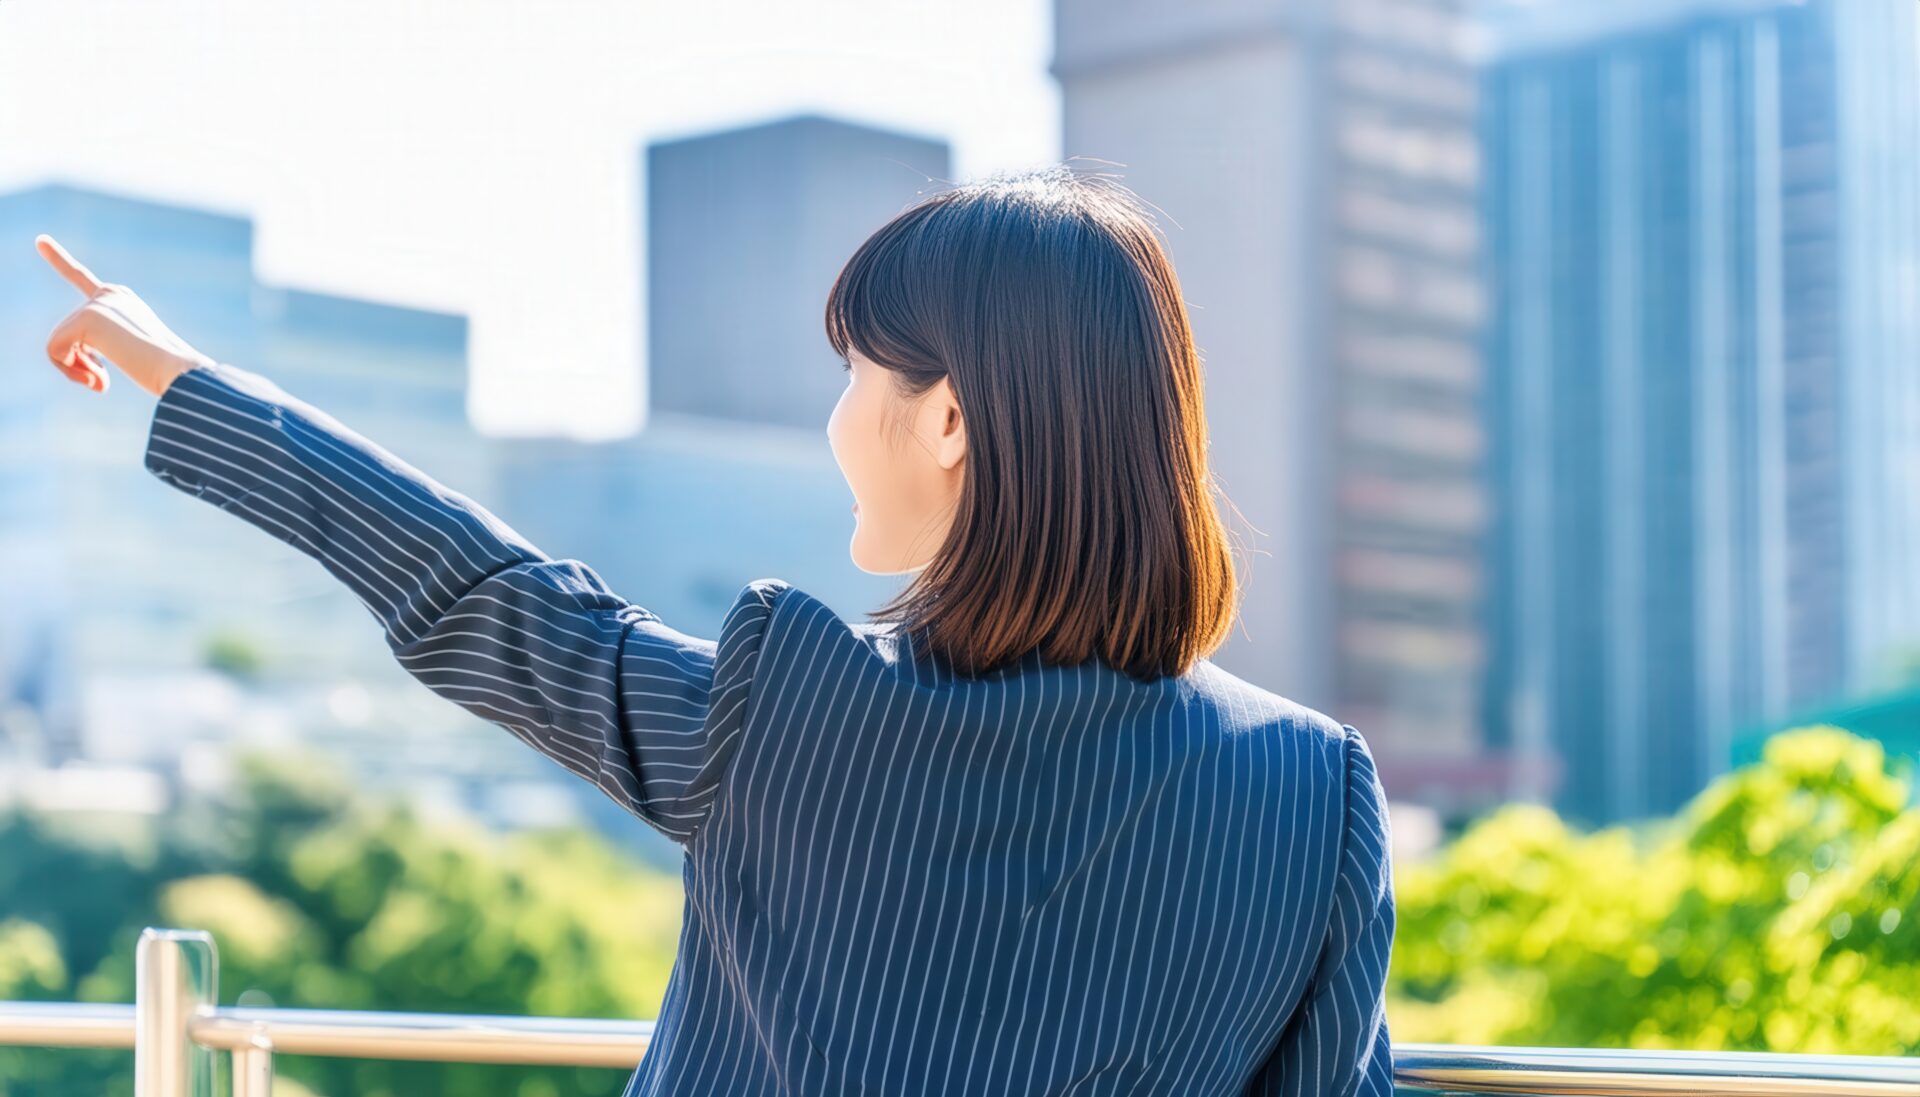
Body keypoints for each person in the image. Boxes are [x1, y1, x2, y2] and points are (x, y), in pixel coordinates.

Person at [33, 165, 1395, 1096]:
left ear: (950, 418)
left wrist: (191, 380)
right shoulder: (1313, 790)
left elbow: (477, 591)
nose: (838, 417)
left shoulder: (791, 700)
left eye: (857, 370)